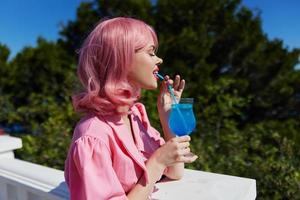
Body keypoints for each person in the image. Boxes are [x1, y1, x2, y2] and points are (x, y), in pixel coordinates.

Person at [64, 17, 198, 200]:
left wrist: (166, 115)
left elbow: (175, 172)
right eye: (151, 53)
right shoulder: (92, 136)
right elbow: (160, 164)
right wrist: (157, 162)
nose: (159, 59)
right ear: (122, 60)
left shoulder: (135, 116)